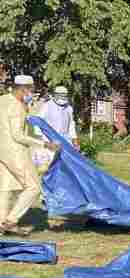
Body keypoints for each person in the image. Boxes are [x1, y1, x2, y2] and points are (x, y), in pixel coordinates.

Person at [0, 75, 56, 236]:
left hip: (2, 151)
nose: (31, 93)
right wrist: (45, 144)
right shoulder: (17, 107)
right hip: (15, 151)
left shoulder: (3, 100)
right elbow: (18, 136)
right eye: (31, 90)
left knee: (5, 189)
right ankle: (10, 222)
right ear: (24, 89)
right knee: (33, 187)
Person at [33, 85, 78, 170]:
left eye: (64, 96)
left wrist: (74, 140)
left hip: (65, 140)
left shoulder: (69, 108)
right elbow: (38, 122)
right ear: (55, 95)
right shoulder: (47, 106)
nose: (62, 98)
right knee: (47, 166)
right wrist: (40, 138)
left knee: (65, 167)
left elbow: (71, 124)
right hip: (49, 140)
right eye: (60, 95)